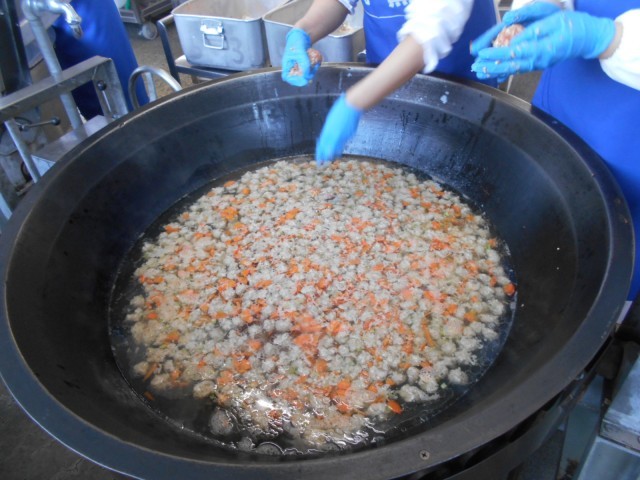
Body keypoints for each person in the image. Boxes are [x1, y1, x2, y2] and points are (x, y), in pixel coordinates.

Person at [469, 0, 640, 301]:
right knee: (533, 211)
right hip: (562, 92)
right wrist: (544, 8)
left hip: (628, 132)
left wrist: (609, 38)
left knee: (607, 263)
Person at [280, 0, 499, 163]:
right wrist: (303, 31)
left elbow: (429, 33)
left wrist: (353, 102)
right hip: (381, 76)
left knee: (459, 161)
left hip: (458, 84)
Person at [53, 0, 148, 119]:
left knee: (124, 89)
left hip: (82, 9)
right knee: (96, 105)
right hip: (55, 16)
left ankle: (139, 118)